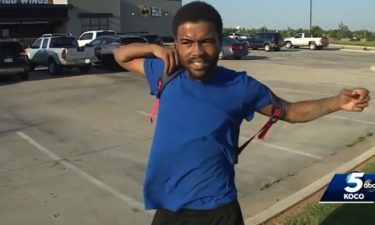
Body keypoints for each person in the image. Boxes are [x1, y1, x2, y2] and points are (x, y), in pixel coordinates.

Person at [114, 2, 370, 225]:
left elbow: (290, 111)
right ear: (176, 45)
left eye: (206, 41)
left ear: (219, 40)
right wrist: (154, 49)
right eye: (187, 43)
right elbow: (120, 55)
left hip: (217, 210)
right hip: (168, 210)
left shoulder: (241, 87)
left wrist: (337, 102)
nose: (197, 52)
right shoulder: (166, 72)